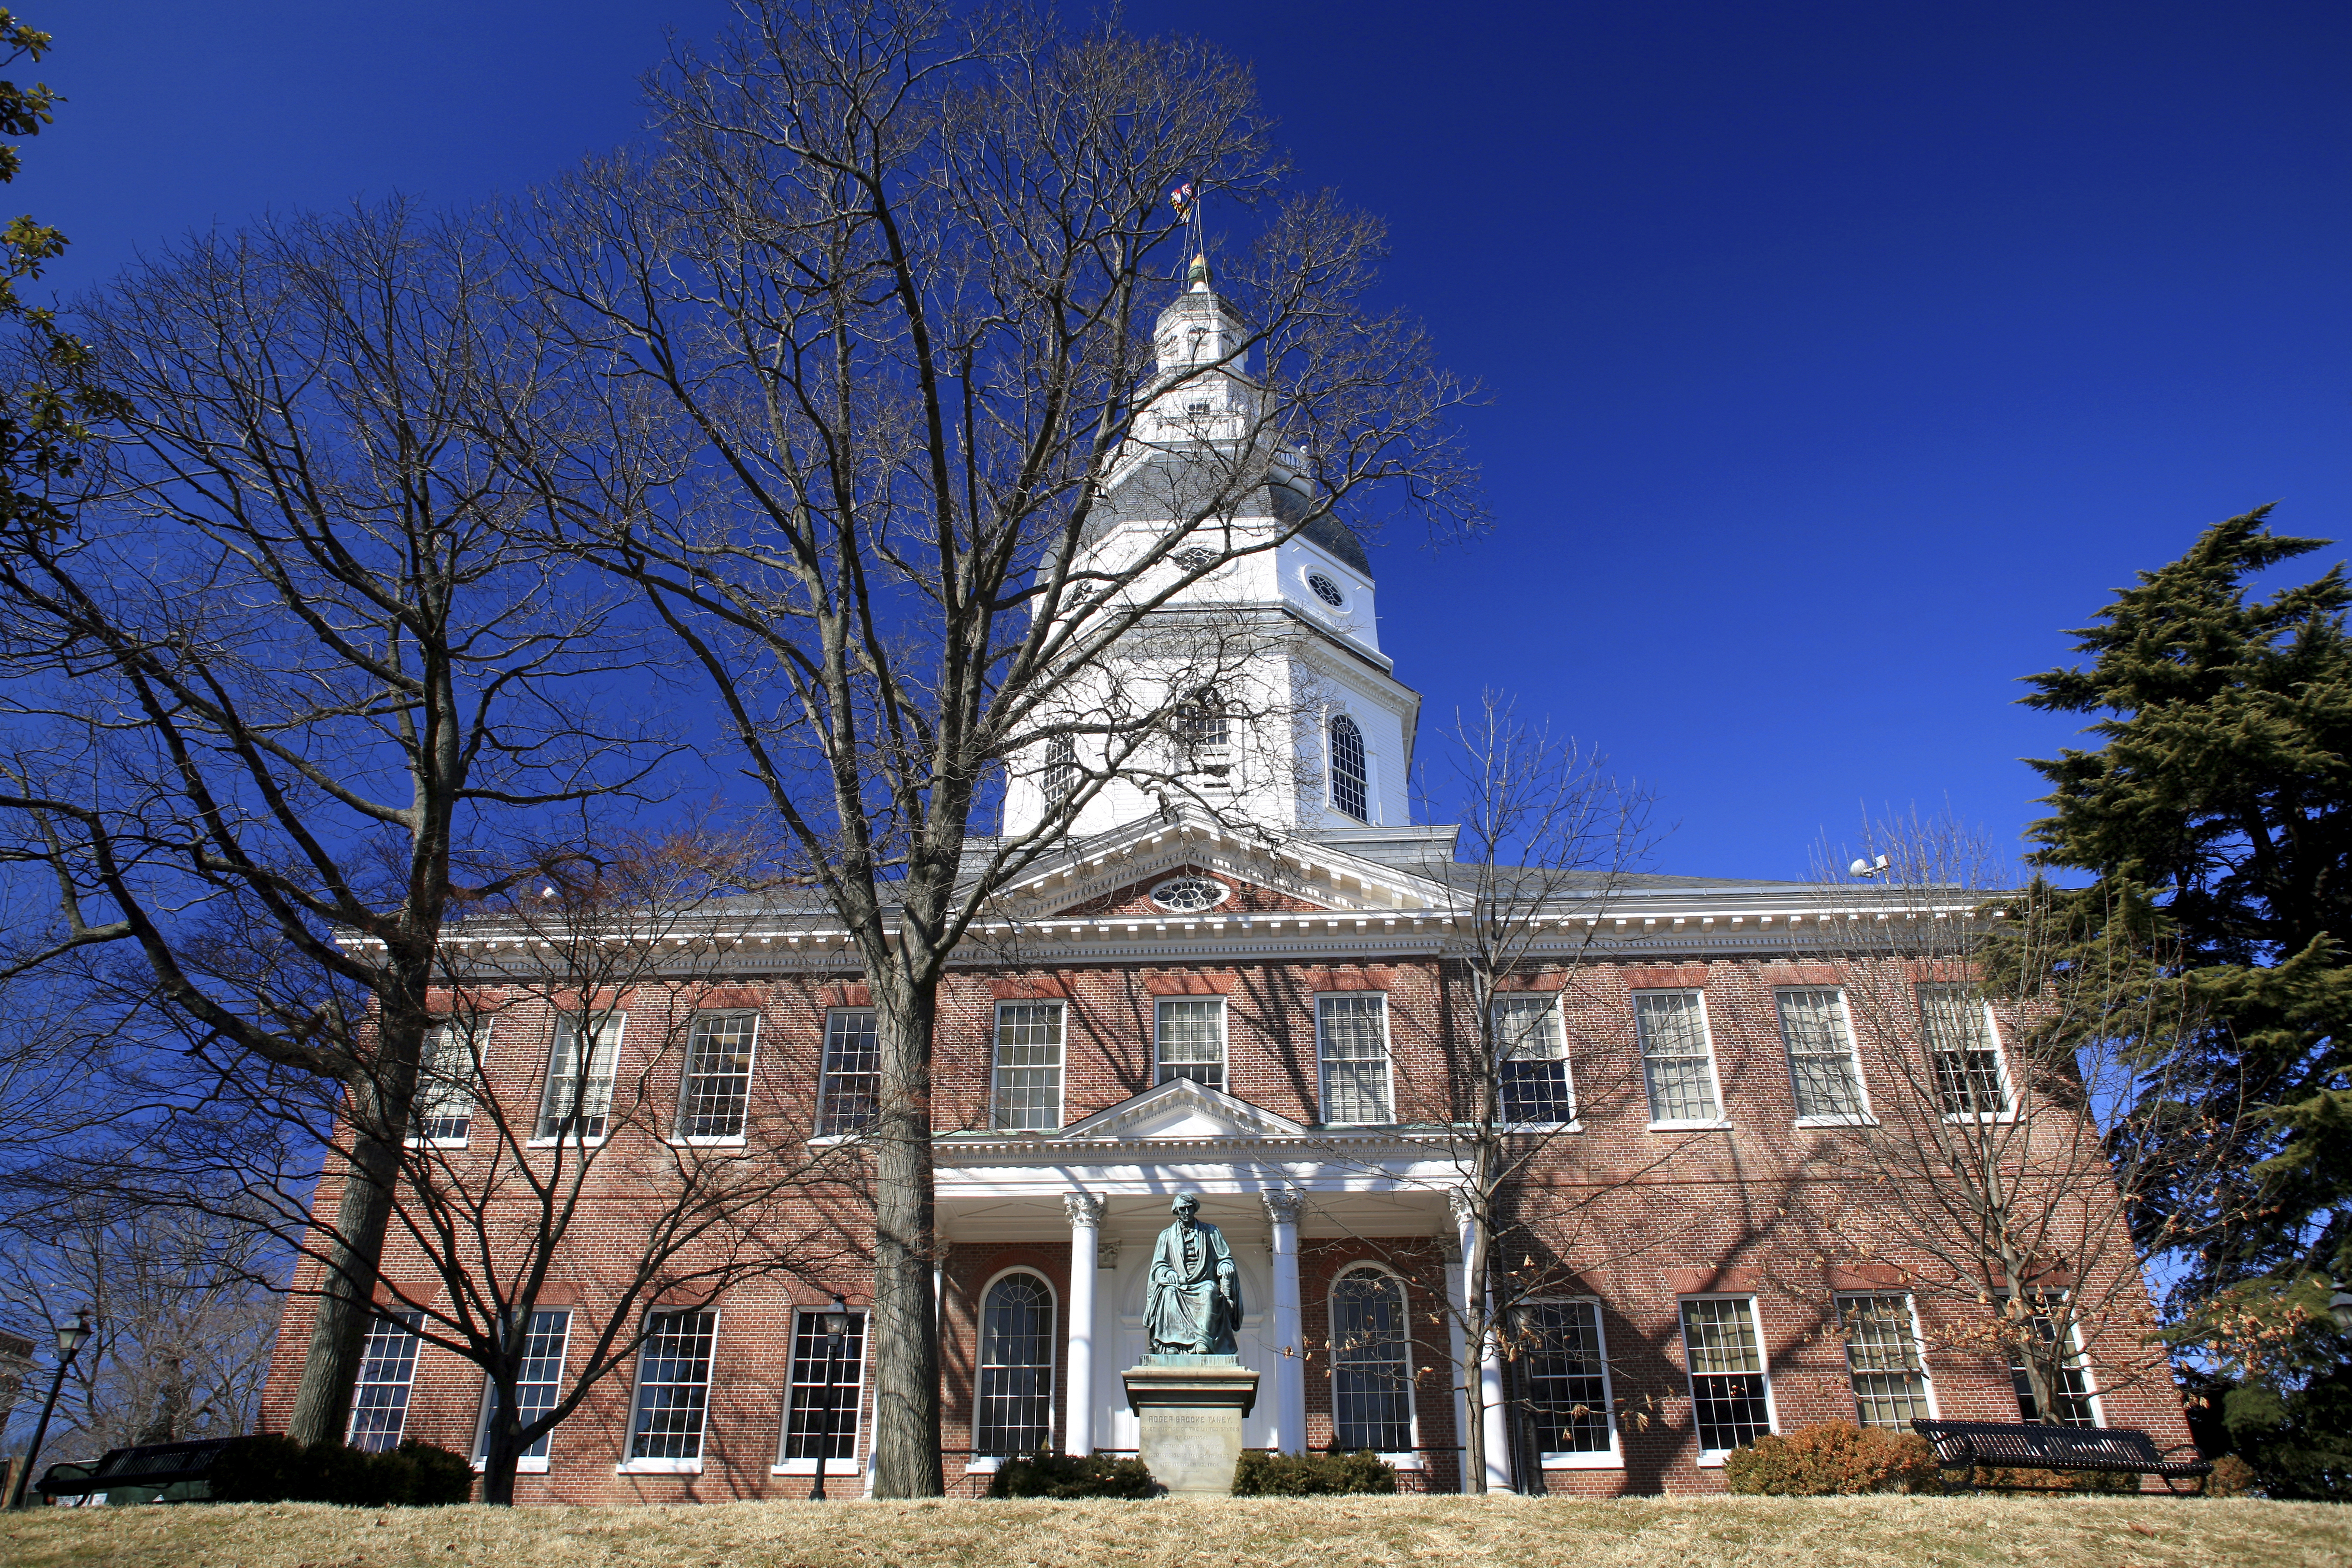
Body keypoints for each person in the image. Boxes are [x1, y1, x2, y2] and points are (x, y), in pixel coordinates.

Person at [1144, 1192, 1243, 1356]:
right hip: (1178, 1284)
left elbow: (1225, 1257)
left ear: (1195, 1209)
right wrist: (1167, 1272)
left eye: (1190, 1208)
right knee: (1169, 1293)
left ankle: (1202, 1341)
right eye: (1182, 1209)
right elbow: (1158, 1265)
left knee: (1210, 1290)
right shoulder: (1166, 1236)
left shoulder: (1211, 1232)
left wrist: (1225, 1265)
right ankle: (1171, 1344)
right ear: (1176, 1211)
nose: (1186, 1213)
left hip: (1203, 1282)